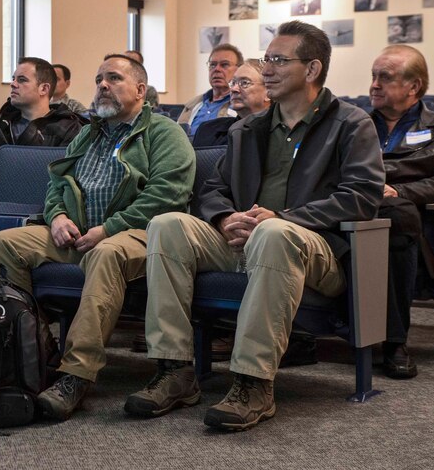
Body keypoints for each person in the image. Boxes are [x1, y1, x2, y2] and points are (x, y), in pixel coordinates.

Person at [128, 21, 383, 430]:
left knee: (274, 232)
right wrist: (225, 217)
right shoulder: (247, 128)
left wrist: (284, 218)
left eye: (279, 60)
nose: (267, 69)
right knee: (167, 224)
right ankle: (175, 369)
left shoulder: (351, 124)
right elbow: (214, 188)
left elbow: (362, 197)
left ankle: (253, 383)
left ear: (313, 69)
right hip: (246, 241)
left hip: (317, 251)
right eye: (267, 59)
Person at [0, 54, 195, 421]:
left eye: (114, 78)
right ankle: (35, 353)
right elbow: (56, 183)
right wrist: (57, 217)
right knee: (4, 243)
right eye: (99, 78)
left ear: (141, 90)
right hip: (80, 232)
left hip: (140, 234)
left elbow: (167, 195)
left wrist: (108, 229)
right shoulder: (89, 132)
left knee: (106, 254)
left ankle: (76, 374)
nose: (102, 85)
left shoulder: (164, 133)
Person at [368, 44, 434, 379]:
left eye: (385, 77)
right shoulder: (354, 125)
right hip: (358, 203)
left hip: (416, 223)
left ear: (414, 86)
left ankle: (394, 341)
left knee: (396, 214)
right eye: (374, 76)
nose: (374, 84)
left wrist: (399, 190)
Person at [0, 57, 84, 169]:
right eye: (13, 79)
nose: (13, 84)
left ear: (44, 89)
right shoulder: (2, 123)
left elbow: (62, 176)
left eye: (22, 80)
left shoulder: (69, 129)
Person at [192, 59, 271, 147]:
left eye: (244, 83)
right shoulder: (207, 130)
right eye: (233, 83)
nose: (234, 89)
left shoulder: (280, 134)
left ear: (268, 92)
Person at [178, 43, 241, 136]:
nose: (217, 69)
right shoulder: (193, 104)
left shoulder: (241, 103)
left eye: (224, 65)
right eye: (212, 65)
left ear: (239, 69)